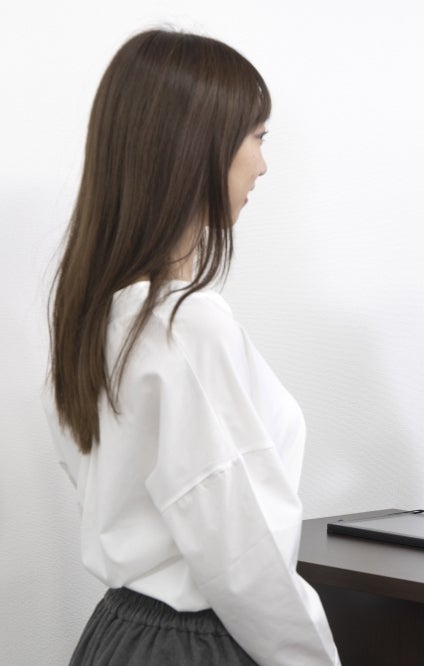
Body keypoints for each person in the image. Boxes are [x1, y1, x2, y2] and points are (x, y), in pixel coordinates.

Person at [46, 29, 339, 664]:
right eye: (256, 137)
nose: (263, 164)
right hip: (195, 644)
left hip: (116, 635)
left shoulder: (95, 318)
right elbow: (239, 555)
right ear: (193, 145)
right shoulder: (186, 325)